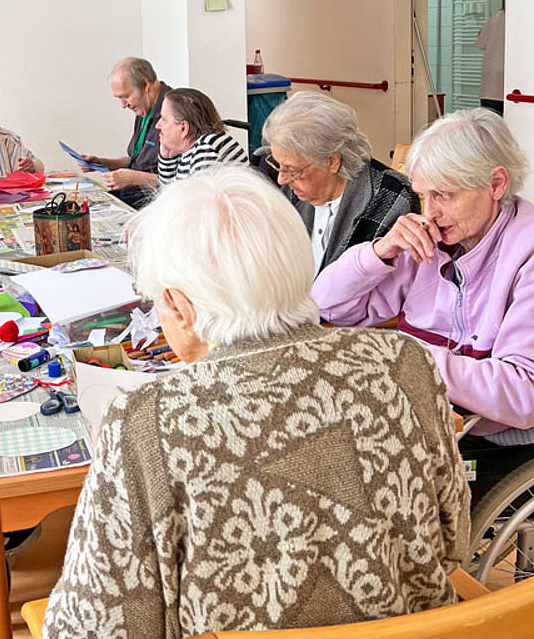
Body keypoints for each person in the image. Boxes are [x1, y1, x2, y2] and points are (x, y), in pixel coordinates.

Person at [37, 167, 468, 639]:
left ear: (179, 307)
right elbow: (452, 545)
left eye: (155, 304)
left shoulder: (147, 418)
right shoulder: (402, 365)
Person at [312, 108, 534, 500]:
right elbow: (327, 306)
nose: (428, 212)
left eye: (444, 196)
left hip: (500, 440)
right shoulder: (431, 240)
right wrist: (379, 252)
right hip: (427, 419)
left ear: (496, 184)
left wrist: (411, 357)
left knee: (356, 483)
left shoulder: (526, 253)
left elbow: (522, 395)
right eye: (422, 195)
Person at [261, 90, 416, 274]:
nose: (282, 179)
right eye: (279, 166)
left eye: (292, 170)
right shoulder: (295, 190)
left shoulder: (391, 199)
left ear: (332, 161)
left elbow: (383, 290)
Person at [81, 57, 169, 207]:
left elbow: (182, 180)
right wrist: (103, 163)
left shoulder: (174, 110)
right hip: (130, 198)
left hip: (154, 205)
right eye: (119, 98)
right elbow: (137, 160)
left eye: (125, 96)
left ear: (145, 84)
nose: (123, 105)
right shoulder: (144, 108)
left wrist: (135, 178)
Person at [155, 86, 247, 185]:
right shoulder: (193, 147)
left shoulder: (206, 150)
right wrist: (167, 158)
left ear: (184, 128)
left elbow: (198, 199)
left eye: (164, 119)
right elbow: (169, 194)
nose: (157, 125)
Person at [476, 7, 505, 115]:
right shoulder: (521, 21)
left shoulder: (493, 21)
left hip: (489, 89)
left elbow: (480, 43)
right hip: (506, 88)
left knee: (490, 126)